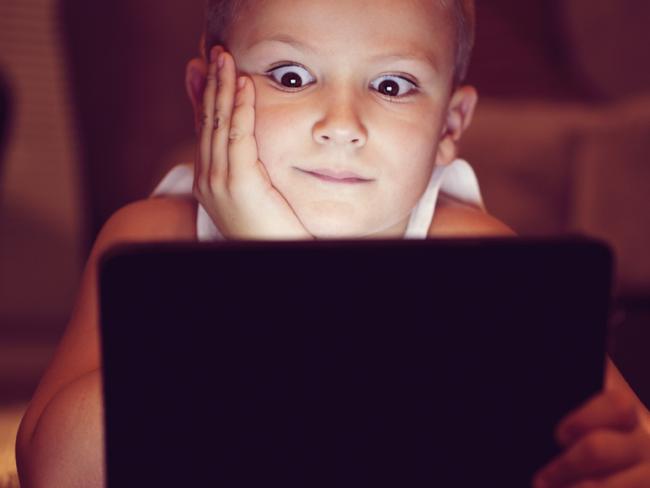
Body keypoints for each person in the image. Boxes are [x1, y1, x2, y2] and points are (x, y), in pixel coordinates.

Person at [15, 0, 650, 486]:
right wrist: (265, 273)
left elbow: (623, 437)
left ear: (449, 126)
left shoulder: (473, 258)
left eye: (392, 85)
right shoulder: (151, 239)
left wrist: (617, 461)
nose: (341, 125)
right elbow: (58, 469)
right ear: (208, 93)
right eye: (291, 76)